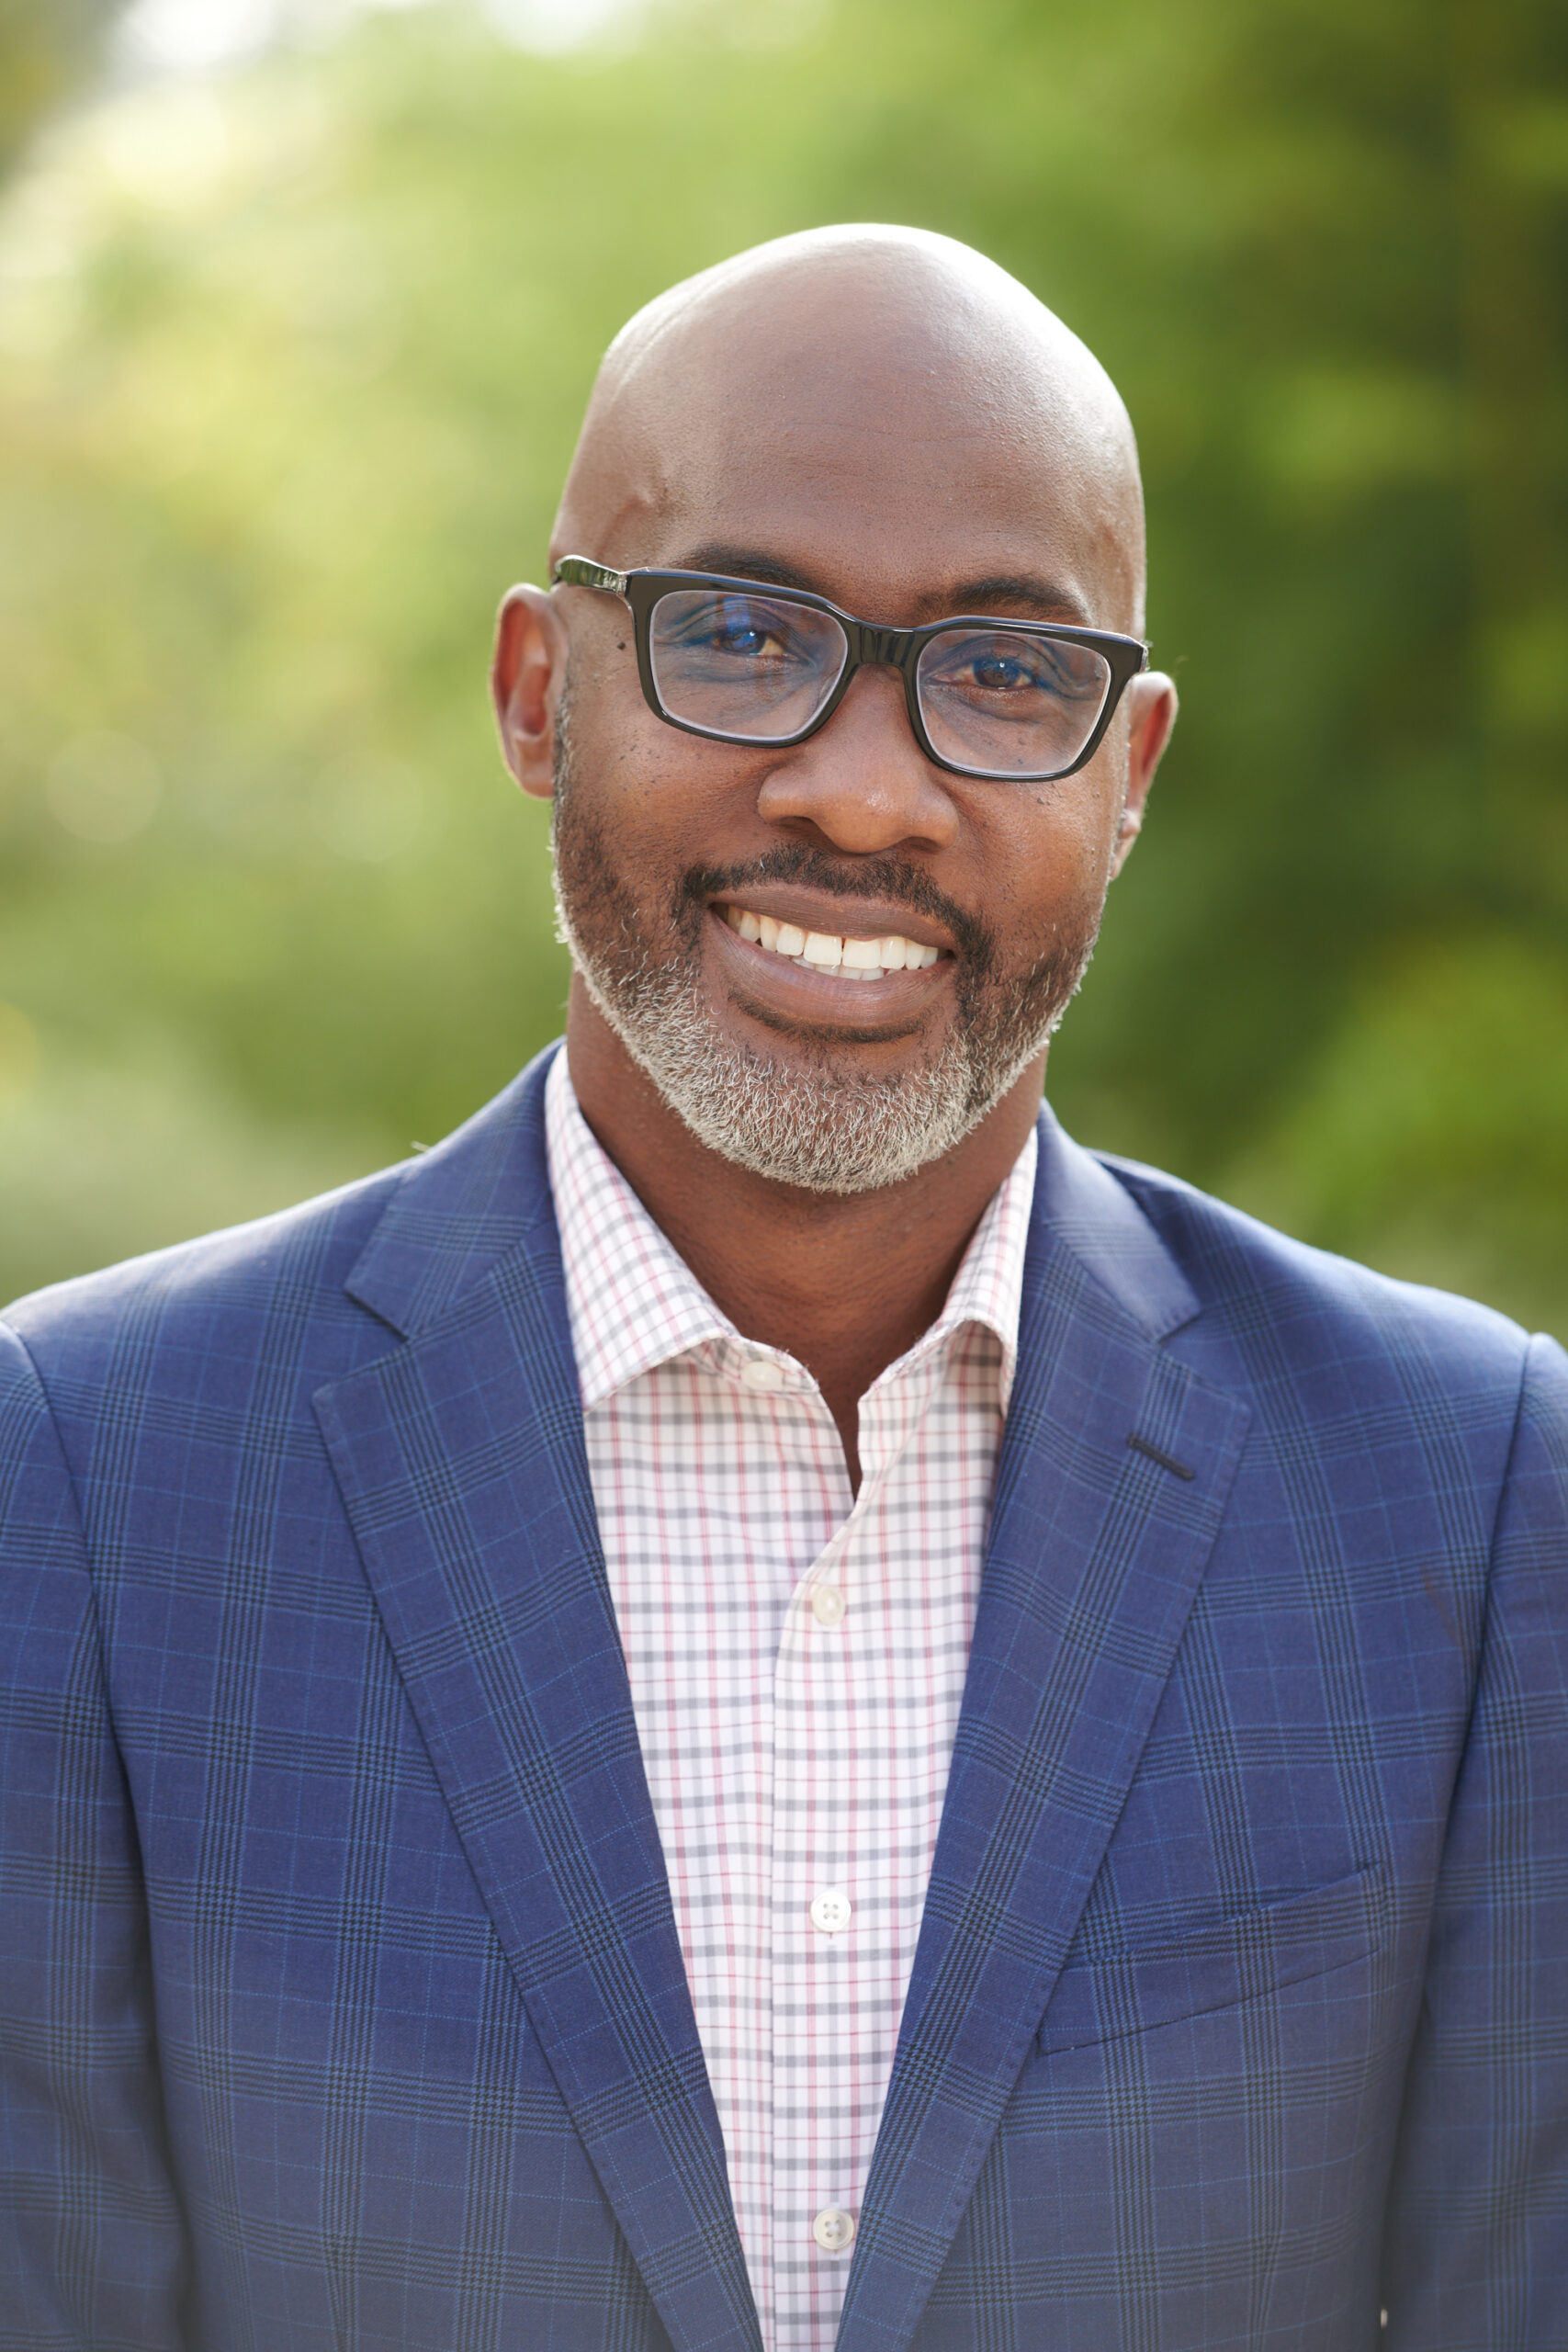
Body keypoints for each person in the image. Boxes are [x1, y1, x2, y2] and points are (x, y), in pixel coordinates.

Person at [2, 224, 1564, 2352]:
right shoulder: (89, 1477)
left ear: (1128, 776)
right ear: (541, 695)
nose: (857, 785)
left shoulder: (1464, 1492)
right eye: (740, 635)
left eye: (1007, 675)